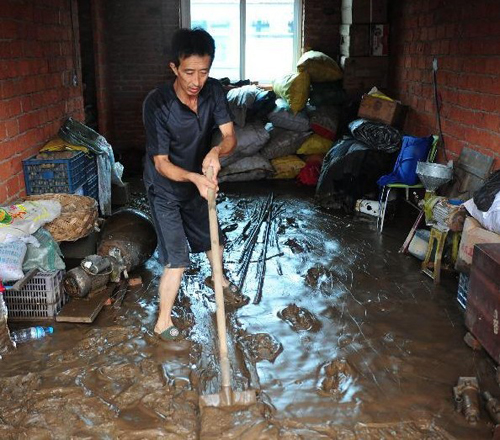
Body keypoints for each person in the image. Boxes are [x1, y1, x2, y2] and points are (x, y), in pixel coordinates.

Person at [142, 28, 245, 343]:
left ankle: (220, 279)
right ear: (174, 67)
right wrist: (195, 178)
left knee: (213, 237)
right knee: (177, 257)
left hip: (198, 183)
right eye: (189, 72)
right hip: (165, 189)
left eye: (204, 71)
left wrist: (215, 151)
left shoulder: (213, 92)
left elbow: (229, 137)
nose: (196, 81)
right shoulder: (157, 104)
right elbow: (161, 163)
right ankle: (162, 322)